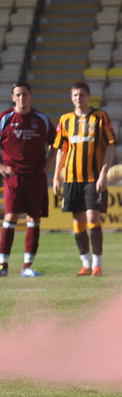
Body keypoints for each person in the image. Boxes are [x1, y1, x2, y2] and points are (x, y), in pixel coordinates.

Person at [51, 81, 117, 277]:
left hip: (93, 178)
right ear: (71, 98)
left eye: (81, 95)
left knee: (92, 217)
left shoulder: (100, 117)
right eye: (75, 95)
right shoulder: (65, 120)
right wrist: (56, 177)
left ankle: (98, 264)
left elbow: (111, 144)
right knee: (78, 219)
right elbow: (61, 151)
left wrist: (104, 173)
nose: (78, 98)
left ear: (89, 96)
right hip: (71, 178)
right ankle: (85, 263)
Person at [0, 83, 56, 277]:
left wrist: (50, 160)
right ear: (13, 97)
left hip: (36, 177)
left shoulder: (41, 119)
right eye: (18, 95)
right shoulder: (5, 118)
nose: (22, 98)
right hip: (13, 178)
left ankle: (27, 267)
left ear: (30, 95)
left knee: (34, 219)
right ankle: (3, 266)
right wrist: (0, 167)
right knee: (10, 218)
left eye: (24, 94)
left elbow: (56, 142)